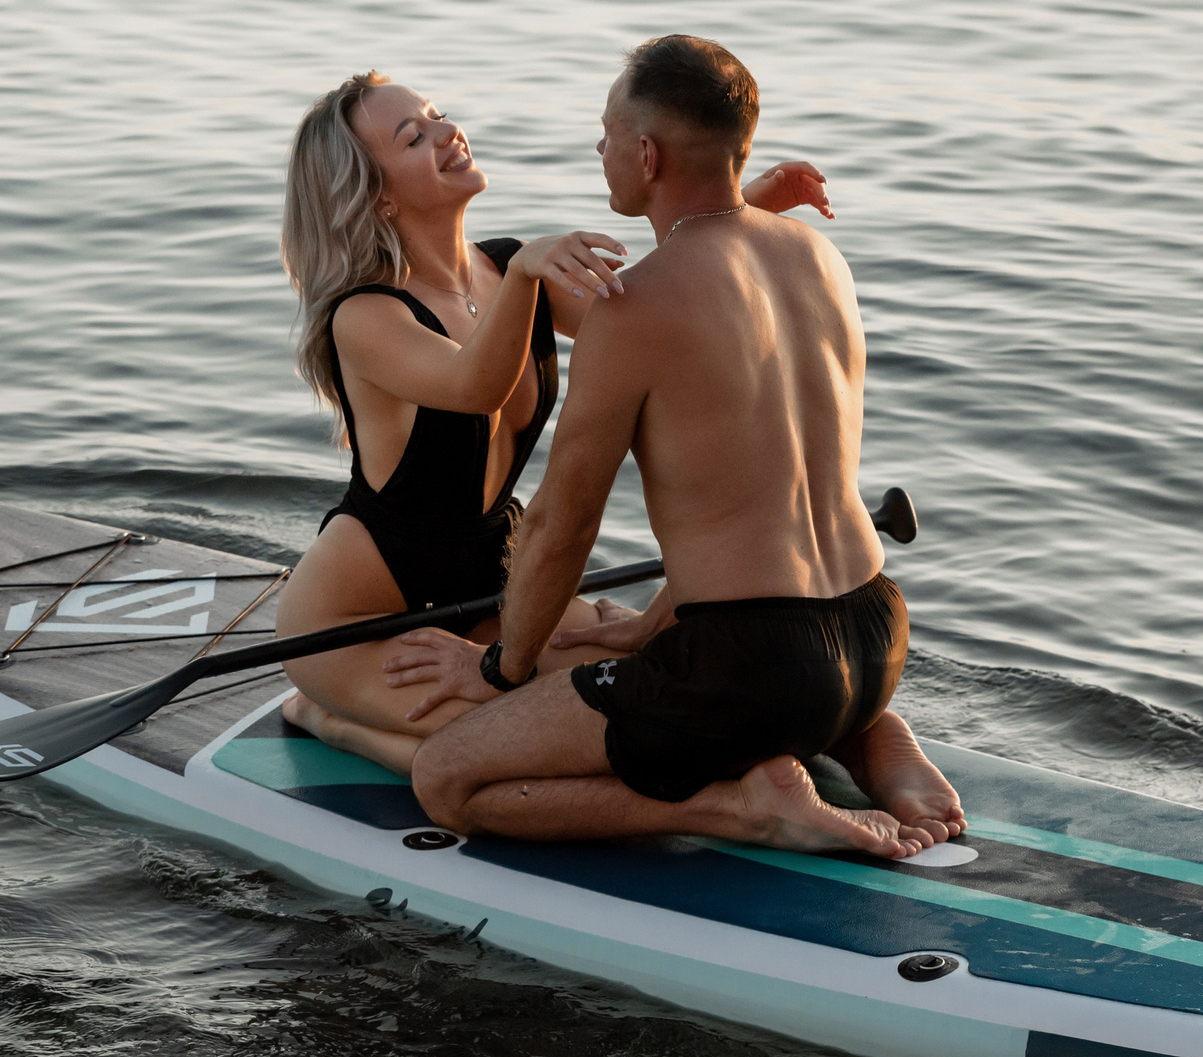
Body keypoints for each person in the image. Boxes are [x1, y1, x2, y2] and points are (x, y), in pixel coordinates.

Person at [387, 37, 966, 858]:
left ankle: (739, 805)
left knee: (448, 777)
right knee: (751, 669)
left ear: (647, 155)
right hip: (876, 626)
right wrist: (642, 627)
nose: (600, 149)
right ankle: (867, 734)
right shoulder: (819, 259)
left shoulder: (635, 309)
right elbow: (759, 490)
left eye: (607, 132)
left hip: (755, 666)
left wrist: (500, 671)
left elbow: (559, 522)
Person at [272, 68, 835, 773]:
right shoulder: (366, 314)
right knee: (513, 744)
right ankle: (330, 715)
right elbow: (474, 383)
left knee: (646, 680)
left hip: (488, 580)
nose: (448, 132)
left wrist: (742, 206)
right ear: (377, 195)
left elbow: (654, 307)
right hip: (354, 616)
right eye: (415, 136)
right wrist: (526, 279)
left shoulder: (507, 269)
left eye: (439, 114)